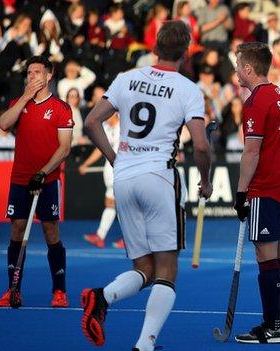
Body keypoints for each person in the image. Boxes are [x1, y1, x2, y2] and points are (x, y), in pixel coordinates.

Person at [79, 21, 212, 351]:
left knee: (144, 268)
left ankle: (103, 296)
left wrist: (114, 158)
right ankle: (145, 344)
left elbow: (91, 122)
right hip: (159, 178)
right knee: (166, 270)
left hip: (124, 178)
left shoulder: (126, 78)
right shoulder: (187, 88)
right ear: (185, 52)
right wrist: (206, 180)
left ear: (155, 46)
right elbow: (201, 146)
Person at [232, 42, 280, 344]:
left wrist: (241, 193)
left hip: (267, 186)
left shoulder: (256, 101)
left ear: (248, 68)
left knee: (266, 255)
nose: (235, 70)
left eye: (237, 64)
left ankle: (271, 327)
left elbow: (251, 152)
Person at [0, 55, 73, 308]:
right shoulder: (20, 103)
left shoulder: (61, 108)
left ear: (49, 75)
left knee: (51, 231)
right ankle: (12, 290)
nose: (32, 76)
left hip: (47, 180)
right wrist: (26, 98)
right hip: (20, 179)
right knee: (17, 228)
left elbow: (64, 149)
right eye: (29, 72)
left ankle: (59, 291)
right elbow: (3, 124)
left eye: (37, 72)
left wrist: (43, 172)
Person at [79, 113, 124, 248]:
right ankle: (100, 236)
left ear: (115, 114)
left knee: (124, 206)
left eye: (107, 115)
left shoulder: (126, 124)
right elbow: (100, 149)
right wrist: (86, 164)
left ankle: (131, 239)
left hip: (123, 172)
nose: (104, 117)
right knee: (110, 204)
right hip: (110, 173)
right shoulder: (104, 126)